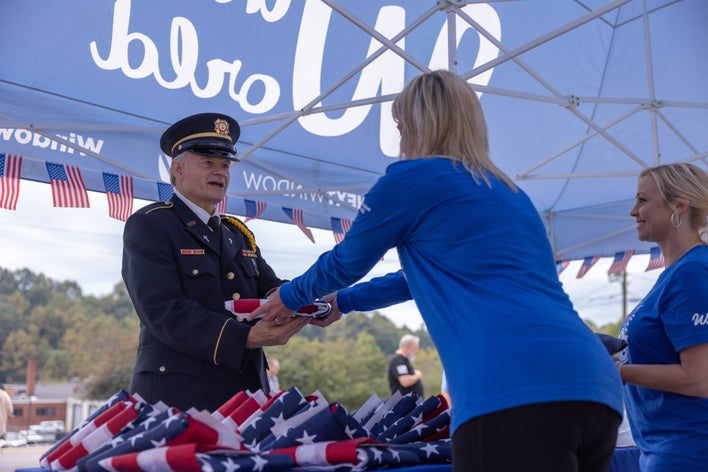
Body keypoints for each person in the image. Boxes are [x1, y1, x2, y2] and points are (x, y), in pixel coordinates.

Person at [249, 70, 623, 471]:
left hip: (512, 386)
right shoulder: (511, 195)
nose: (400, 140)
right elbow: (417, 278)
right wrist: (345, 302)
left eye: (400, 126)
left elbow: (346, 262)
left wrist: (286, 299)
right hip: (594, 385)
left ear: (416, 124)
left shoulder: (408, 181)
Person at [122, 113, 309, 412]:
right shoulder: (151, 225)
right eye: (208, 163)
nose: (220, 172)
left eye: (225, 165)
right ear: (178, 169)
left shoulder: (238, 233)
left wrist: (307, 299)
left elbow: (270, 287)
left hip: (244, 395)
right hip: (179, 399)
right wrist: (246, 336)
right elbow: (164, 311)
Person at [616, 162, 708, 471]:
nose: (633, 211)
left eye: (643, 200)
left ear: (679, 205)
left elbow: (700, 378)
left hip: (689, 450)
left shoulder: (692, 272)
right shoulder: (676, 274)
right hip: (665, 449)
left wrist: (617, 371)